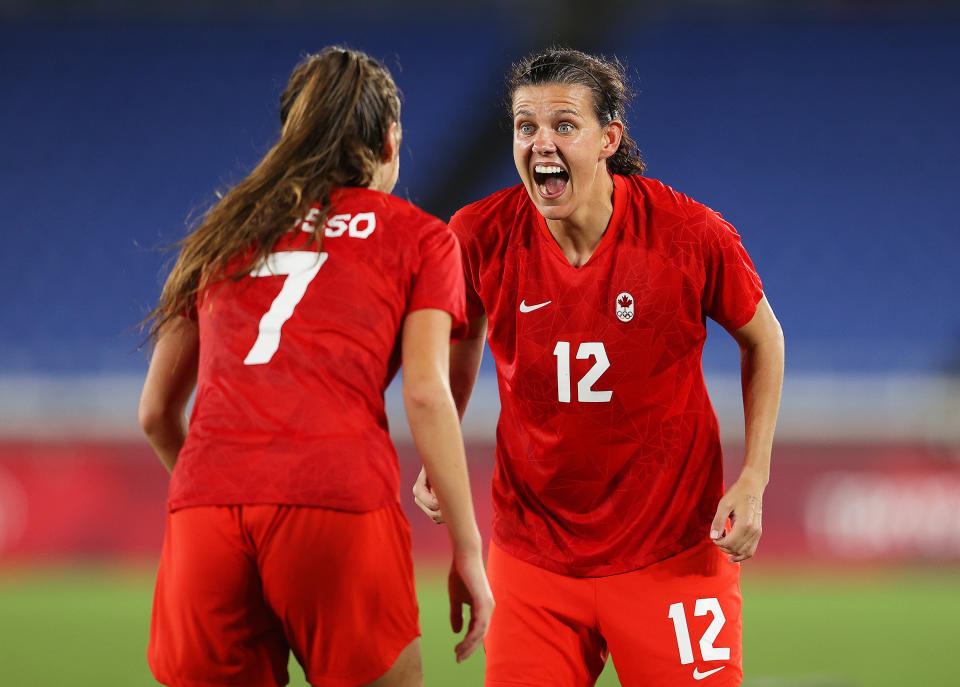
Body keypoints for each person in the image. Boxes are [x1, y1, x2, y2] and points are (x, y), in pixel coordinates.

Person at [413, 47, 784, 686]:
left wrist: (754, 477)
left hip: (673, 551)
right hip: (533, 559)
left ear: (608, 138)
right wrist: (436, 445)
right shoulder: (478, 235)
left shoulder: (687, 234)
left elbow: (764, 340)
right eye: (525, 127)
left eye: (563, 125)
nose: (541, 143)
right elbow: (462, 333)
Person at [139, 47, 493, 687]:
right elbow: (425, 392)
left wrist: (226, 492)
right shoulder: (418, 236)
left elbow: (156, 414)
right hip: (336, 497)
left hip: (208, 507)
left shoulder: (222, 231)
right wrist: (467, 547)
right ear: (390, 142)